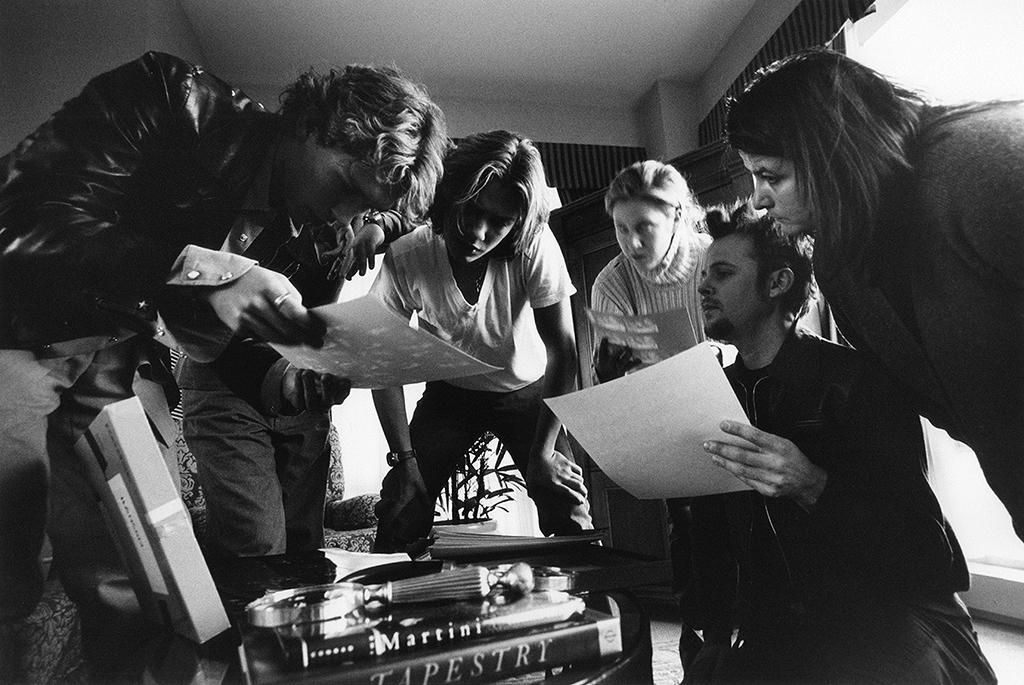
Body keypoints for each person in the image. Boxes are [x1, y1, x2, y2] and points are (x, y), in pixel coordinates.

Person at [0, 51, 446, 674]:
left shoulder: (296, 221)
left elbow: (222, 338)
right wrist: (195, 272)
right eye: (347, 188)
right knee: (9, 574)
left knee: (145, 582)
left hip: (116, 360)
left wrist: (286, 377)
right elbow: (21, 213)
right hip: (12, 339)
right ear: (318, 125)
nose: (344, 219)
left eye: (362, 211)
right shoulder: (171, 97)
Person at [724, 47, 1024, 541]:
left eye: (771, 175)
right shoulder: (838, 266)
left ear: (832, 153)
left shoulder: (984, 163)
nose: (757, 199)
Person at [690, 202, 995, 683]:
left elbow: (926, 552)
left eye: (722, 273)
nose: (703, 286)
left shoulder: (857, 382)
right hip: (781, 627)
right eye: (703, 274)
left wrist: (812, 484)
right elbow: (710, 540)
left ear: (777, 283)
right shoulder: (710, 394)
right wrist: (711, 640)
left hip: (890, 613)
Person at [369, 130, 592, 553]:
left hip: (527, 391)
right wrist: (405, 461)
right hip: (449, 394)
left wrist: (543, 454)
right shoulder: (408, 254)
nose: (477, 232)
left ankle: (591, 610)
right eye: (470, 211)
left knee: (566, 505)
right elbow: (383, 361)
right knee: (401, 510)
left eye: (499, 222)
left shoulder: (534, 247)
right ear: (448, 196)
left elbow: (563, 349)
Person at [177, 209, 409, 558]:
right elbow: (207, 323)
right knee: (256, 545)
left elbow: (422, 212)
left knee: (305, 547)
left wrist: (381, 224)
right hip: (225, 385)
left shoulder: (362, 215)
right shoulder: (253, 211)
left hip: (305, 387)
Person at [589, 160, 732, 669]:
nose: (631, 244)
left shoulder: (712, 260)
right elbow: (609, 385)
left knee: (730, 527)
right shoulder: (612, 282)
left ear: (676, 215)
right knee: (688, 524)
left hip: (730, 405)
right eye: (621, 229)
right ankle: (702, 640)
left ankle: (734, 635)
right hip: (663, 417)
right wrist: (609, 370)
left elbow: (743, 342)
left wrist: (715, 361)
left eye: (643, 228)